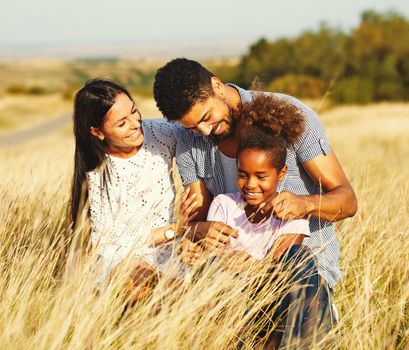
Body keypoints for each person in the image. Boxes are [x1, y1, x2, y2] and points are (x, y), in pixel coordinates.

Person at [153, 58, 357, 311]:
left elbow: (347, 201)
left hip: (301, 268)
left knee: (296, 281)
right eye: (194, 127)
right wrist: (193, 236)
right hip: (230, 276)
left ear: (217, 85)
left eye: (207, 118)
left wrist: (304, 204)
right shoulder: (189, 142)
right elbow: (199, 221)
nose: (205, 132)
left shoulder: (291, 114)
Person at [206, 94, 332, 346]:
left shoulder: (291, 210)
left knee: (300, 258)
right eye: (243, 174)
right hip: (237, 300)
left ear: (281, 173)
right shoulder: (224, 204)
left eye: (261, 176)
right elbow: (216, 260)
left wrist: (247, 264)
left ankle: (292, 343)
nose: (250, 185)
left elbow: (281, 267)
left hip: (279, 299)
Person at [70, 79, 195, 300]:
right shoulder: (96, 173)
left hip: (168, 252)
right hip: (121, 258)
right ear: (97, 132)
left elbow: (196, 132)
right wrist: (175, 229)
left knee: (177, 295)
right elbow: (109, 244)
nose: (136, 124)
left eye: (134, 111)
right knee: (137, 285)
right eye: (121, 124)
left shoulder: (158, 133)